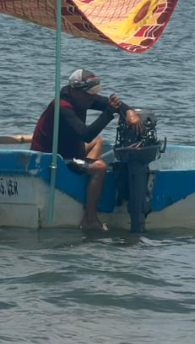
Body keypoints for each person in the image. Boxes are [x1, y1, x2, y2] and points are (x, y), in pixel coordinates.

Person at [30, 69, 142, 230]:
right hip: (53, 159)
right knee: (100, 168)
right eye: (89, 94)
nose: (92, 98)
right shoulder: (62, 107)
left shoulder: (82, 99)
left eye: (93, 94)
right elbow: (85, 134)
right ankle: (90, 218)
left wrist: (129, 112)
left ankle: (87, 181)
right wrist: (109, 112)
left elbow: (114, 105)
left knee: (99, 142)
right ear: (75, 90)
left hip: (70, 150)